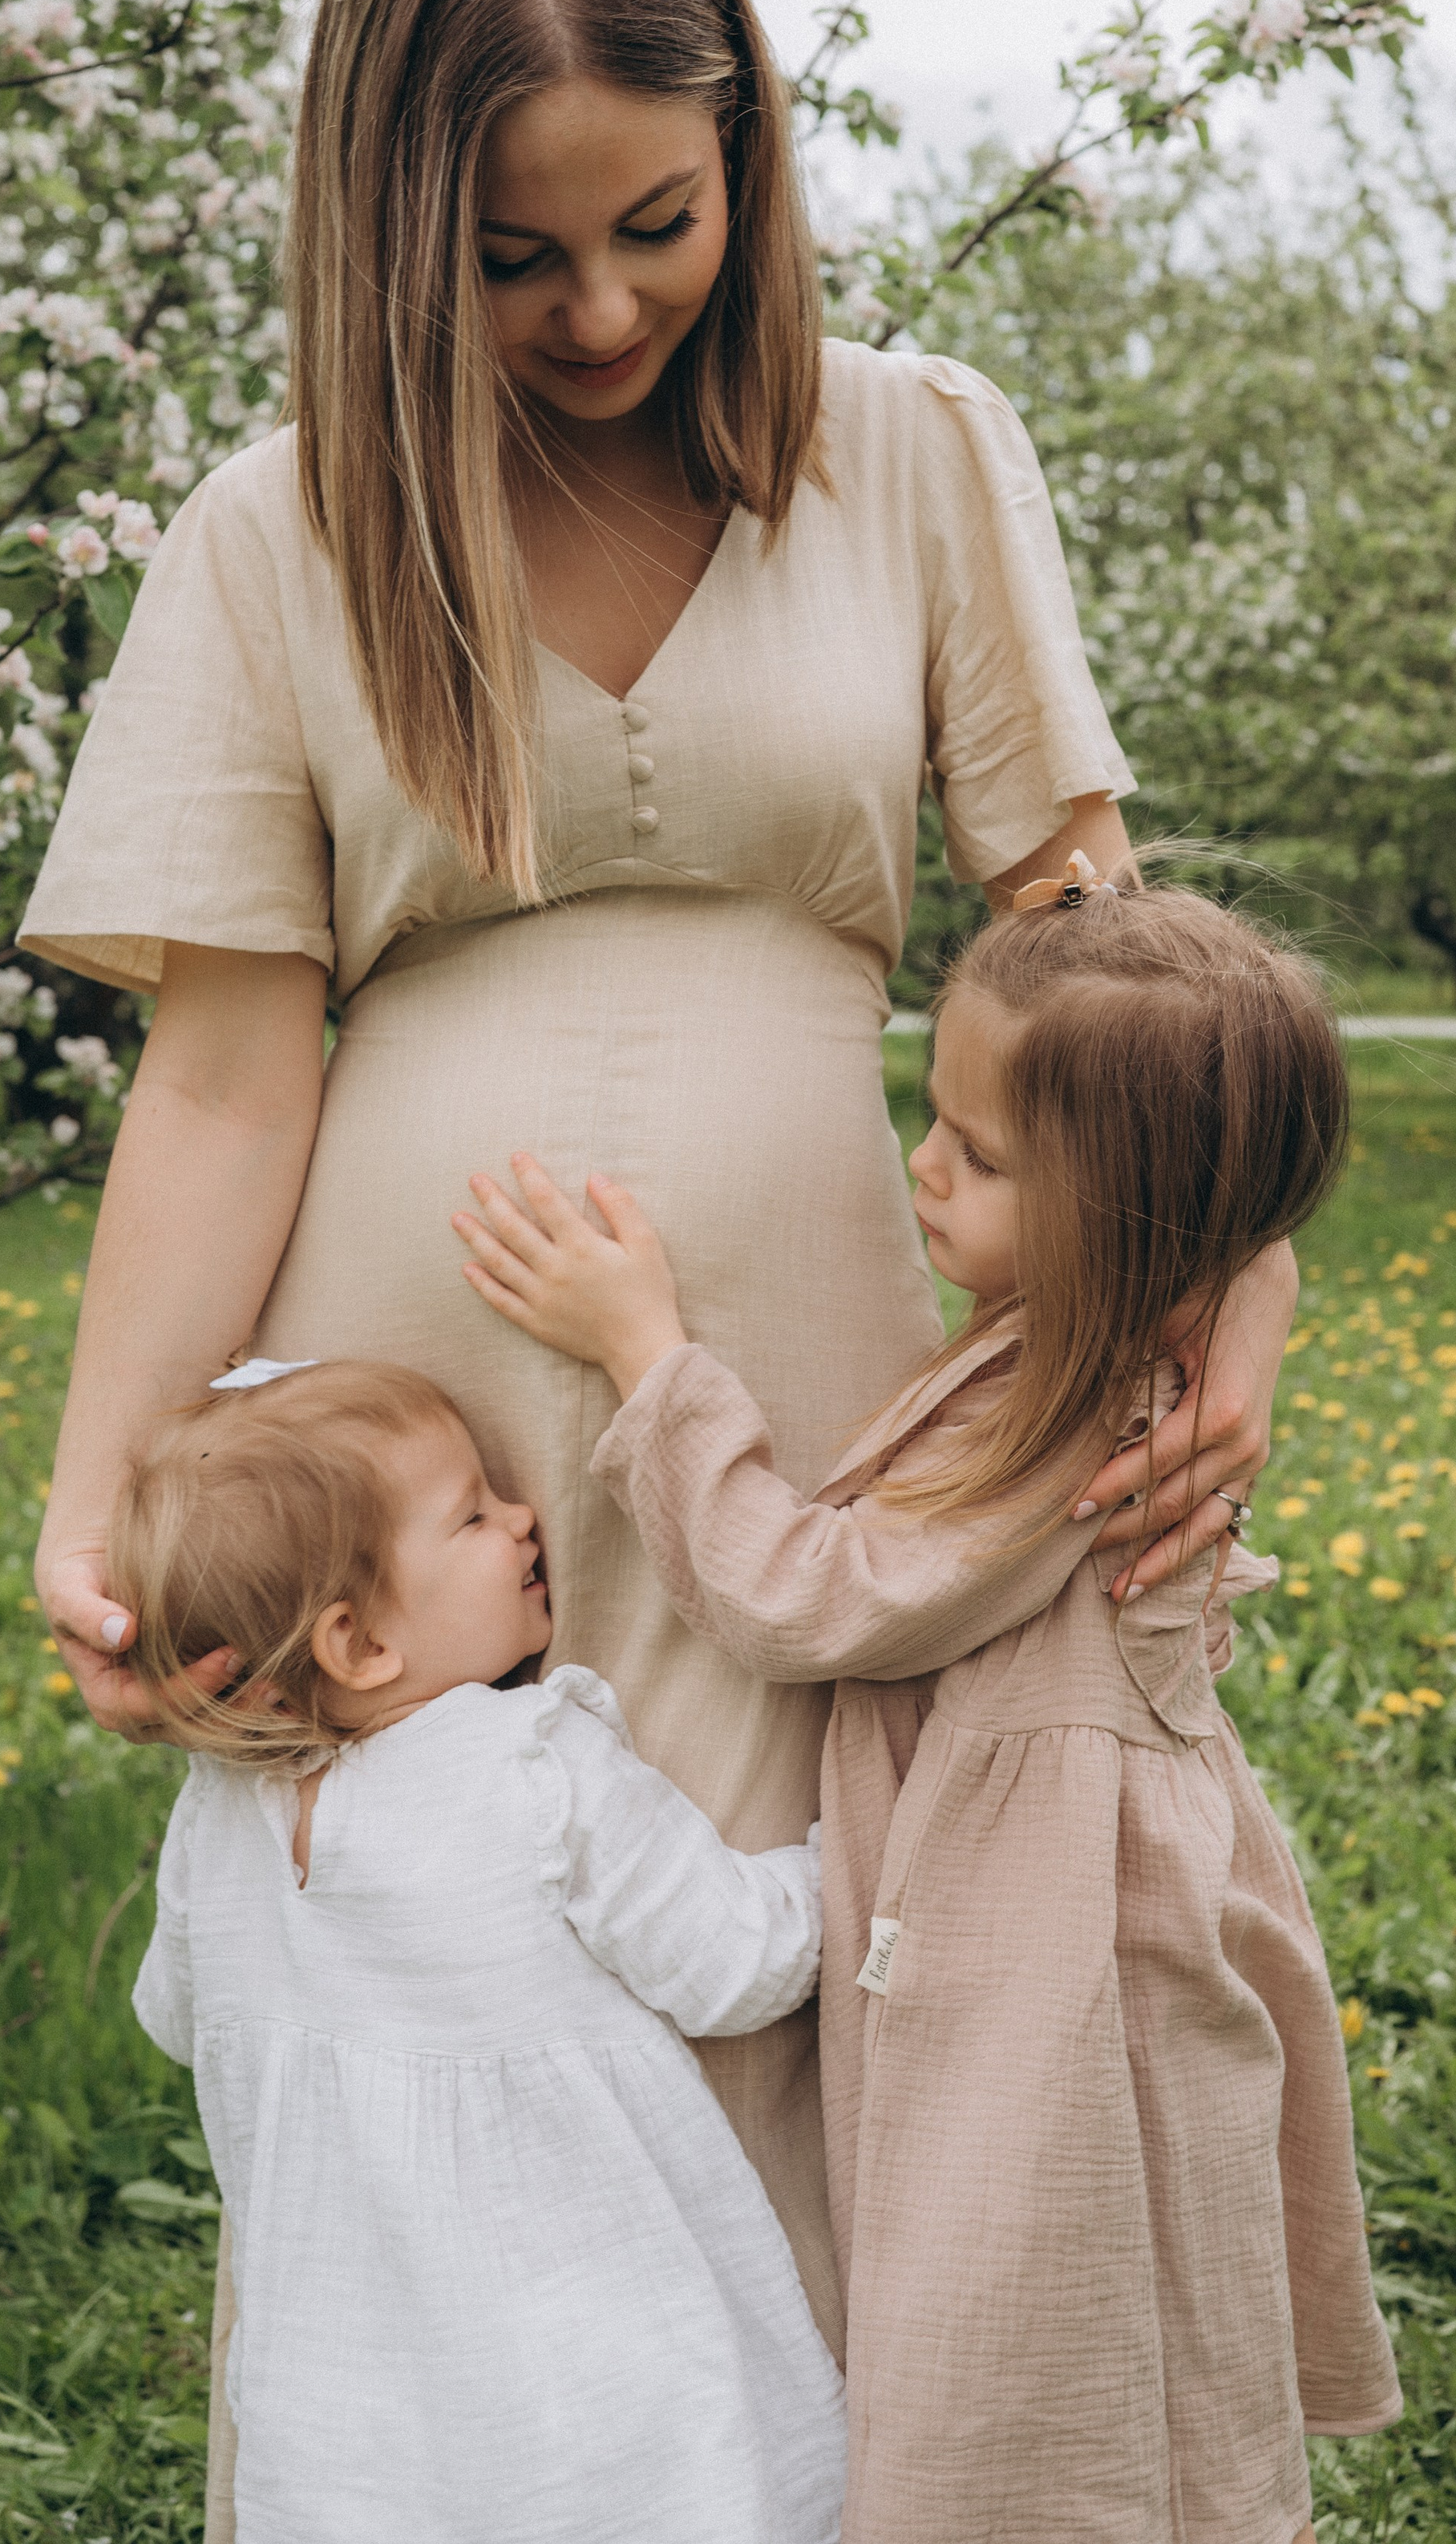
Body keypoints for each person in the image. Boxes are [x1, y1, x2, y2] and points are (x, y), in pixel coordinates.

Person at [20, 0, 1296, 2518]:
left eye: (660, 222)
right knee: (461, 2012)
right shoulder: (284, 535)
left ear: (755, 160)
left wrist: (1228, 1317)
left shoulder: (923, 457)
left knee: (824, 1973)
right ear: (394, 226)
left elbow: (1105, 953)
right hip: (403, 1431)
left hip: (812, 1385)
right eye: (513, 252)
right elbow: (230, 1071)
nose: (597, 306)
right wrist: (103, 1488)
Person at [453, 865, 1403, 2544]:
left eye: (976, 1155)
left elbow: (799, 1596)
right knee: (1068, 2263)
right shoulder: (1077, 1344)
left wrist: (651, 1359)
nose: (922, 1163)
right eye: (929, 1114)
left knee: (1032, 2285)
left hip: (1060, 1945)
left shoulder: (1069, 1432)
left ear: (1125, 1221)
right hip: (1034, 1907)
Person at [118, 1355, 846, 2544]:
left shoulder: (217, 1817)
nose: (523, 1519)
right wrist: (857, 1853)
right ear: (356, 1644)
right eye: (471, 1513)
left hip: (344, 2406)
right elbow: (736, 1962)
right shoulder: (526, 1764)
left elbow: (174, 2013)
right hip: (601, 2377)